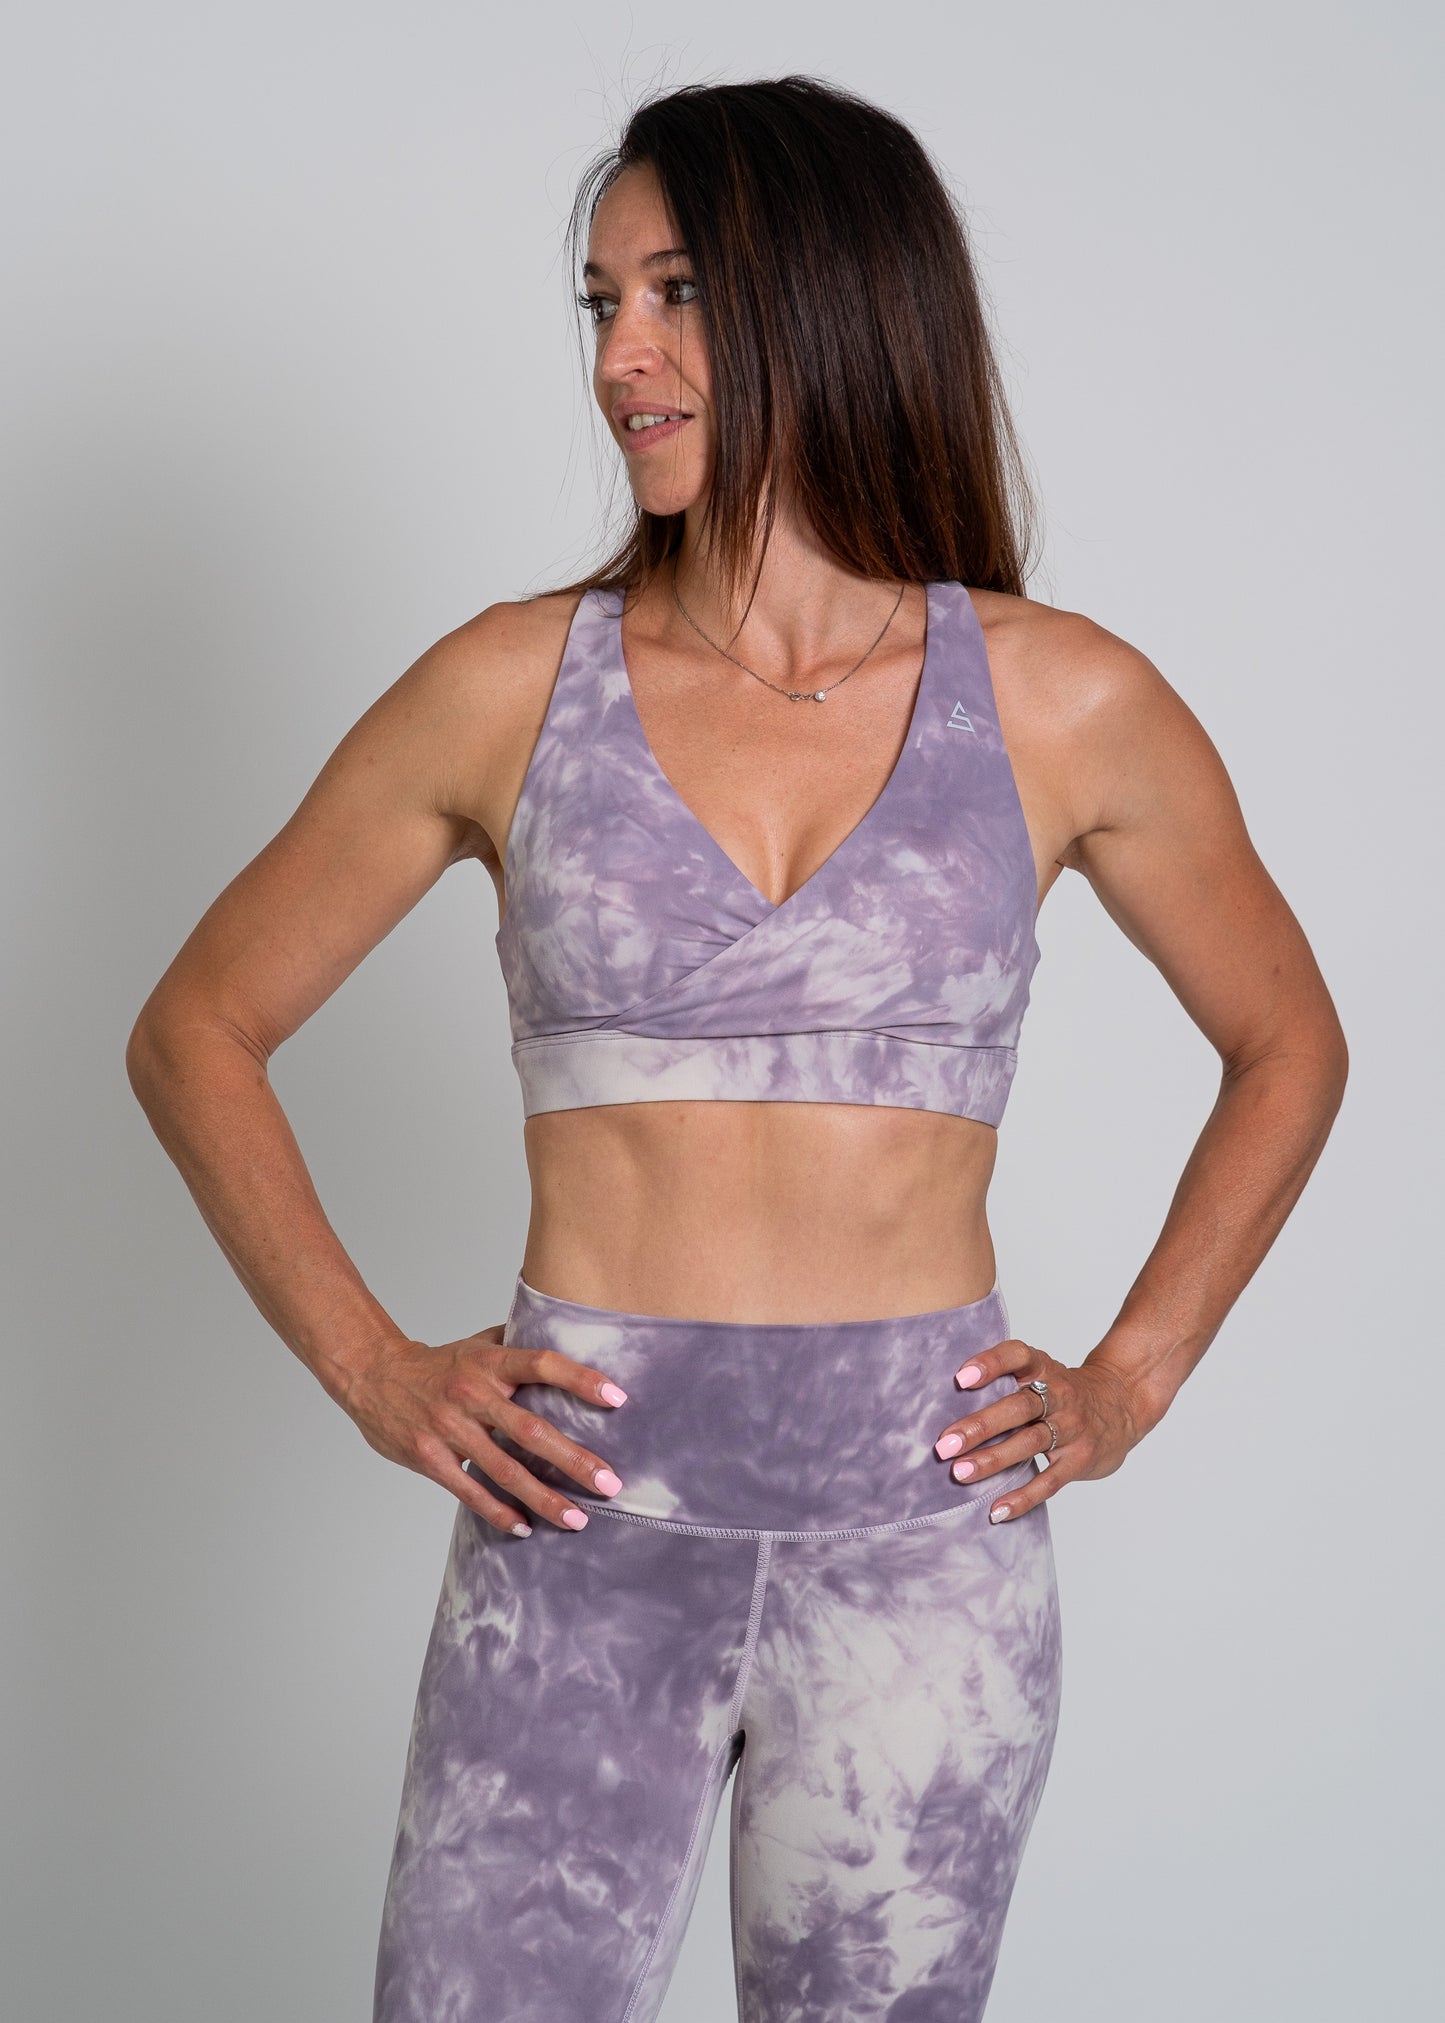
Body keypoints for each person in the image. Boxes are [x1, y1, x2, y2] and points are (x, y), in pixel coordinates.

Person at [126, 72, 1348, 2023]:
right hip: (580, 1526)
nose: (622, 355)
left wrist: (1130, 1381)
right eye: (601, 301)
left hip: (924, 1546)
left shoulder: (1062, 701)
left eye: (676, 292)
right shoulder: (506, 686)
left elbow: (1286, 1041)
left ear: (826, 296)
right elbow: (198, 1026)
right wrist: (371, 1366)